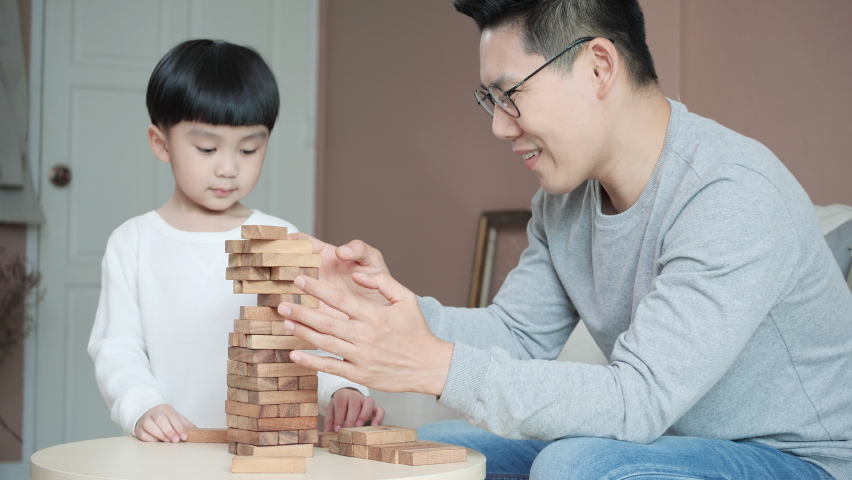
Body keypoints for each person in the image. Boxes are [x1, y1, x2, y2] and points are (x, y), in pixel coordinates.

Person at [268, 1, 852, 479]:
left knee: (573, 466)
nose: (499, 126)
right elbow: (518, 336)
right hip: (668, 444)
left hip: (798, 458)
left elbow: (637, 399)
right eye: (490, 101)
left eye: (511, 94)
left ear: (598, 67)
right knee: (436, 448)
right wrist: (381, 305)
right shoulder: (564, 201)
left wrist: (436, 365)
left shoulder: (730, 194)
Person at [88, 39, 384, 444]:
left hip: (266, 449)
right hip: (168, 451)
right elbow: (117, 349)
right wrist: (142, 406)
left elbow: (307, 337)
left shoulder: (280, 237)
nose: (228, 168)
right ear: (161, 143)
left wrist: (342, 390)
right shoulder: (133, 243)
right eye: (207, 148)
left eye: (248, 149)